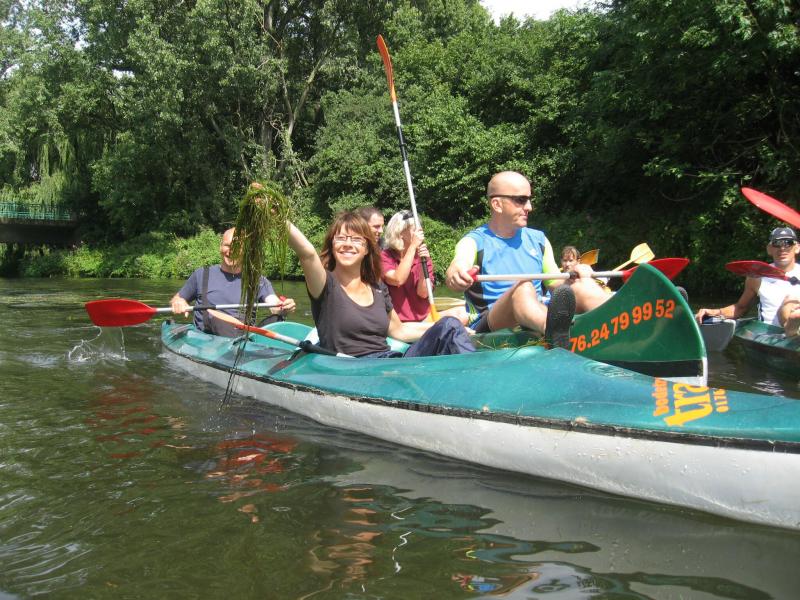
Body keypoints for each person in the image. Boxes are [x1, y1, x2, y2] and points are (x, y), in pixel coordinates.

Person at [445, 171, 609, 349]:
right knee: (523, 287)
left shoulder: (539, 240)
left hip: (535, 310)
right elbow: (457, 266)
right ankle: (555, 335)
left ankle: (617, 321)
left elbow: (555, 283)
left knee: (583, 284)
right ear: (497, 204)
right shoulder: (473, 242)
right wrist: (456, 275)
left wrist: (575, 277)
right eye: (521, 200)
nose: (529, 207)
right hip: (489, 323)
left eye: (529, 199)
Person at [286, 211, 474, 357]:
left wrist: (453, 329)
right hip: (354, 369)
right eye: (341, 238)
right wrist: (278, 217)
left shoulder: (377, 286)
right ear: (332, 245)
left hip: (387, 362)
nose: (348, 244)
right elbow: (307, 254)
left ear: (366, 249)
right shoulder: (325, 284)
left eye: (356, 239)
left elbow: (399, 331)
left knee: (450, 324)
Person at [170, 227, 296, 336]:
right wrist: (179, 302)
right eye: (227, 245)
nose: (231, 251)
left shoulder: (257, 279)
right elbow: (178, 298)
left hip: (243, 337)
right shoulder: (202, 274)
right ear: (220, 247)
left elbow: (274, 305)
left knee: (277, 320)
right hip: (209, 337)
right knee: (216, 319)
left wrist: (283, 307)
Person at [695, 227, 800, 334]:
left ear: (797, 248)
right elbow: (741, 308)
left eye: (788, 243)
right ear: (769, 249)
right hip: (770, 336)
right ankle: (792, 328)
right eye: (777, 243)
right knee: (789, 302)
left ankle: (793, 327)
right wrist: (715, 312)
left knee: (792, 303)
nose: (782, 248)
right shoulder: (756, 277)